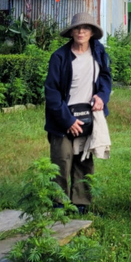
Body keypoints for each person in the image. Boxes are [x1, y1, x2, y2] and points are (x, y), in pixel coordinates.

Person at [44, 12, 111, 214]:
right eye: (77, 28)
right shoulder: (59, 57)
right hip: (62, 118)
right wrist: (68, 121)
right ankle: (59, 203)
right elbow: (52, 92)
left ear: (92, 32)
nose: (81, 31)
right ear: (71, 32)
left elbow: (106, 78)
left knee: (84, 160)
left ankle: (81, 203)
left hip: (88, 116)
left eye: (85, 28)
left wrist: (101, 96)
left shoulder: (99, 52)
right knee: (62, 160)